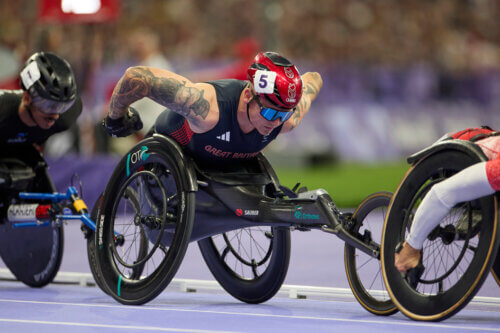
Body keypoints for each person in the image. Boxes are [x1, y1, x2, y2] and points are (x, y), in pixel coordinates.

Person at [102, 51, 323, 170]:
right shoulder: (206, 108)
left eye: (283, 114)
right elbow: (135, 76)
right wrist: (116, 118)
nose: (275, 122)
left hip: (218, 163)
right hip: (167, 153)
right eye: (269, 113)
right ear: (248, 95)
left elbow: (314, 79)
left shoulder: (287, 119)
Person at [395, 127, 500, 273]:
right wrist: (413, 245)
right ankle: (409, 249)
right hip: (469, 147)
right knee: (445, 192)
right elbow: (441, 195)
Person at [0, 51, 82, 187]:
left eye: (61, 106)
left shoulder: (65, 117)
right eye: (48, 105)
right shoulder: (3, 111)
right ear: (26, 98)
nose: (55, 115)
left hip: (26, 154)